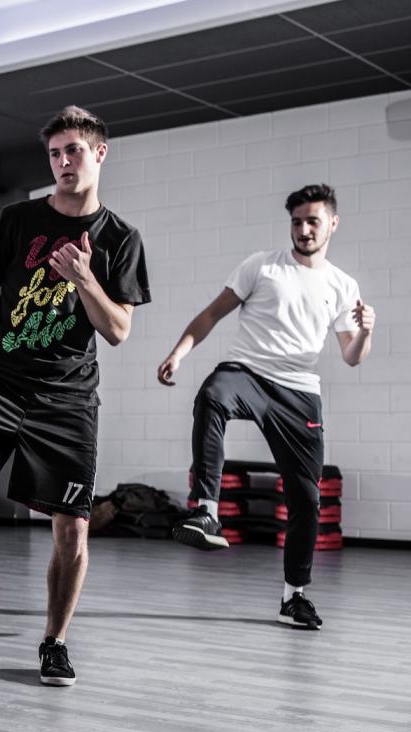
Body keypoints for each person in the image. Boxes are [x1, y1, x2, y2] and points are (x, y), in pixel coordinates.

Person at [0, 106, 149, 686]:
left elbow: (118, 330)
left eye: (74, 150)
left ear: (99, 153)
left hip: (68, 397)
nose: (64, 162)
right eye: (55, 153)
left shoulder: (120, 238)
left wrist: (84, 279)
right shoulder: (17, 219)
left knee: (71, 529)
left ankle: (55, 641)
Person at [159, 184, 373, 630]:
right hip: (247, 373)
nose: (304, 229)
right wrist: (178, 353)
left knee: (307, 499)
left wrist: (366, 332)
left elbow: (352, 356)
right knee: (213, 394)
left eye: (313, 221)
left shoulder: (342, 285)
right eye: (297, 221)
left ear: (332, 223)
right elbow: (211, 314)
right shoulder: (262, 266)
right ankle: (207, 511)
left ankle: (294, 596)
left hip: (299, 391)